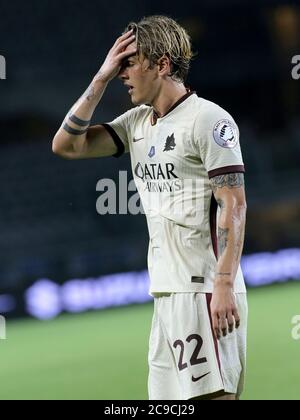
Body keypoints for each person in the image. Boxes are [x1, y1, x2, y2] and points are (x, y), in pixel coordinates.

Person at [52, 15, 248, 401]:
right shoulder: (137, 123)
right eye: (119, 65)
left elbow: (234, 205)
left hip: (203, 289)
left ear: (162, 65)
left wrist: (223, 283)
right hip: (165, 291)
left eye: (130, 62)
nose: (122, 73)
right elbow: (65, 145)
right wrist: (100, 79)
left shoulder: (208, 119)